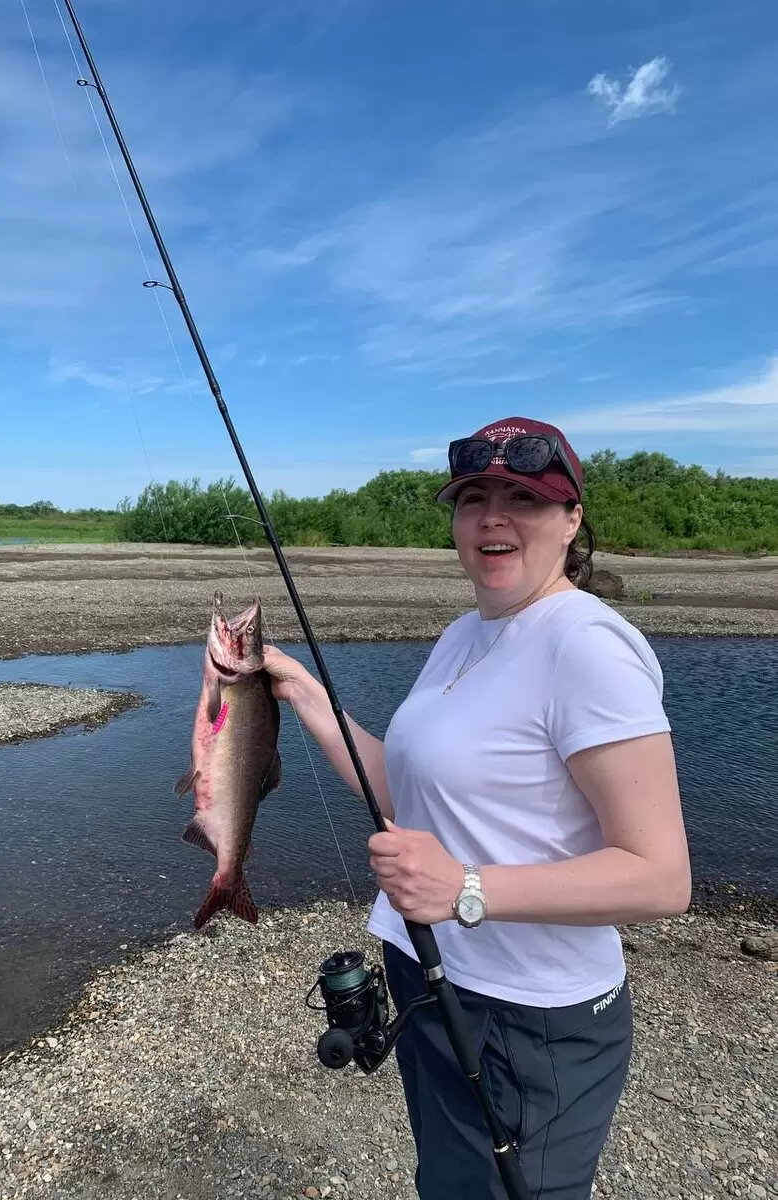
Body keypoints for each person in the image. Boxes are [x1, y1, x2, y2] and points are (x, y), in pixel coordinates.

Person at [262, 415, 692, 1200]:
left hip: (531, 1018)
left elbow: (662, 877)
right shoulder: (467, 632)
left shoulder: (587, 646)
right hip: (434, 980)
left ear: (570, 522)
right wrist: (307, 697)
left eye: (523, 497)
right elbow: (409, 793)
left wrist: (467, 888)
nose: (493, 517)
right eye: (473, 498)